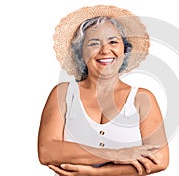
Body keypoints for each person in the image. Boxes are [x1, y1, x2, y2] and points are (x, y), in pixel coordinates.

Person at [38, 5, 169, 176]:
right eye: (94, 43)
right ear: (80, 52)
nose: (105, 50)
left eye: (113, 42)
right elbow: (47, 151)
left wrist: (96, 173)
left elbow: (159, 160)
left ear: (124, 48)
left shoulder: (142, 98)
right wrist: (116, 154)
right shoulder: (63, 94)